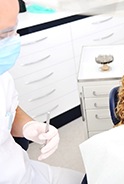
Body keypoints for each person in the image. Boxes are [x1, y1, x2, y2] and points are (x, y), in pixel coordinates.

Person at [0, 0, 84, 183]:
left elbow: (8, 111)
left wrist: (28, 126)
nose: (13, 40)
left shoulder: (3, 76)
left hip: (27, 172)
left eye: (14, 30)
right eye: (4, 34)